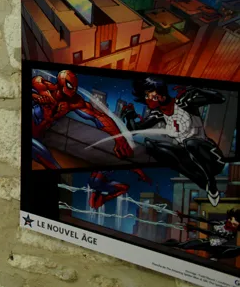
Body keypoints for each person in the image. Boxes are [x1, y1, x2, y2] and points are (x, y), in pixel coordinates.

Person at [122, 78, 226, 206]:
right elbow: (135, 130)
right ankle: (203, 183)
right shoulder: (159, 113)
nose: (146, 99)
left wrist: (198, 90)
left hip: (211, 158)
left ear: (159, 95)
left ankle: (211, 183)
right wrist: (130, 117)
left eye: (148, 95)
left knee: (191, 143)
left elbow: (220, 98)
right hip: (190, 159)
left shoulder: (184, 102)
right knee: (150, 146)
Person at [32, 70, 133, 169]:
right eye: (69, 86)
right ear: (60, 84)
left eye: (74, 87)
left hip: (38, 133)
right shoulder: (41, 86)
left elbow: (98, 116)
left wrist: (119, 139)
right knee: (50, 163)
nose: (72, 91)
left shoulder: (73, 102)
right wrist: (37, 97)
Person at [165, 209, 240, 260]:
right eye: (230, 220)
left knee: (185, 245)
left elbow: (212, 233)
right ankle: (166, 244)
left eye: (234, 225)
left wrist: (195, 228)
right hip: (208, 242)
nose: (230, 223)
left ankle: (215, 257)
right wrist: (186, 215)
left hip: (214, 247)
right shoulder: (223, 223)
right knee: (184, 245)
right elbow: (204, 220)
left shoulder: (231, 233)